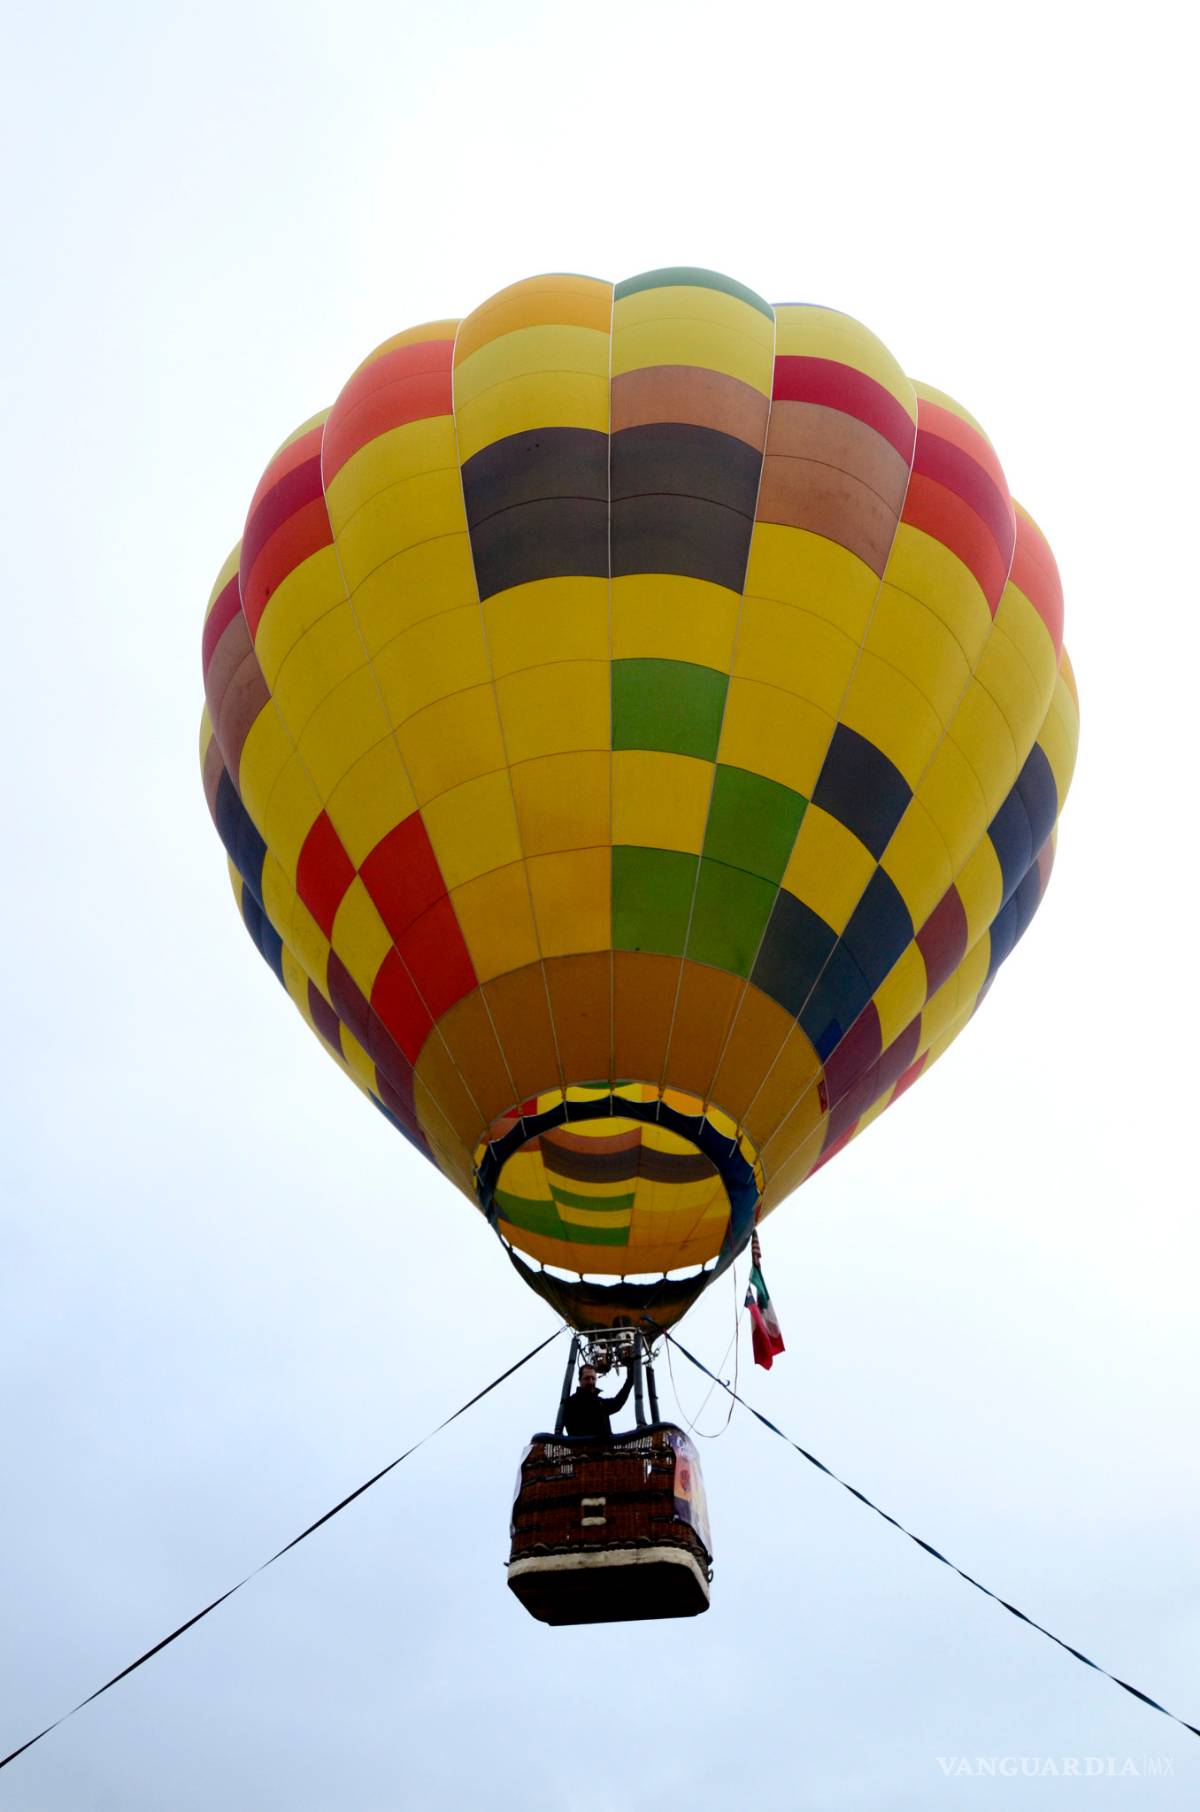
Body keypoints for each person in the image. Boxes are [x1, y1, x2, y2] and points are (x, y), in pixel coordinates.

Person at [562, 1359, 635, 1439]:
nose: (590, 1382)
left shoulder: (599, 1402)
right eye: (587, 1378)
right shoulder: (572, 1403)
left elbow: (617, 1403)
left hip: (604, 1449)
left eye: (593, 1378)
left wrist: (630, 1380)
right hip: (584, 1448)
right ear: (580, 1380)